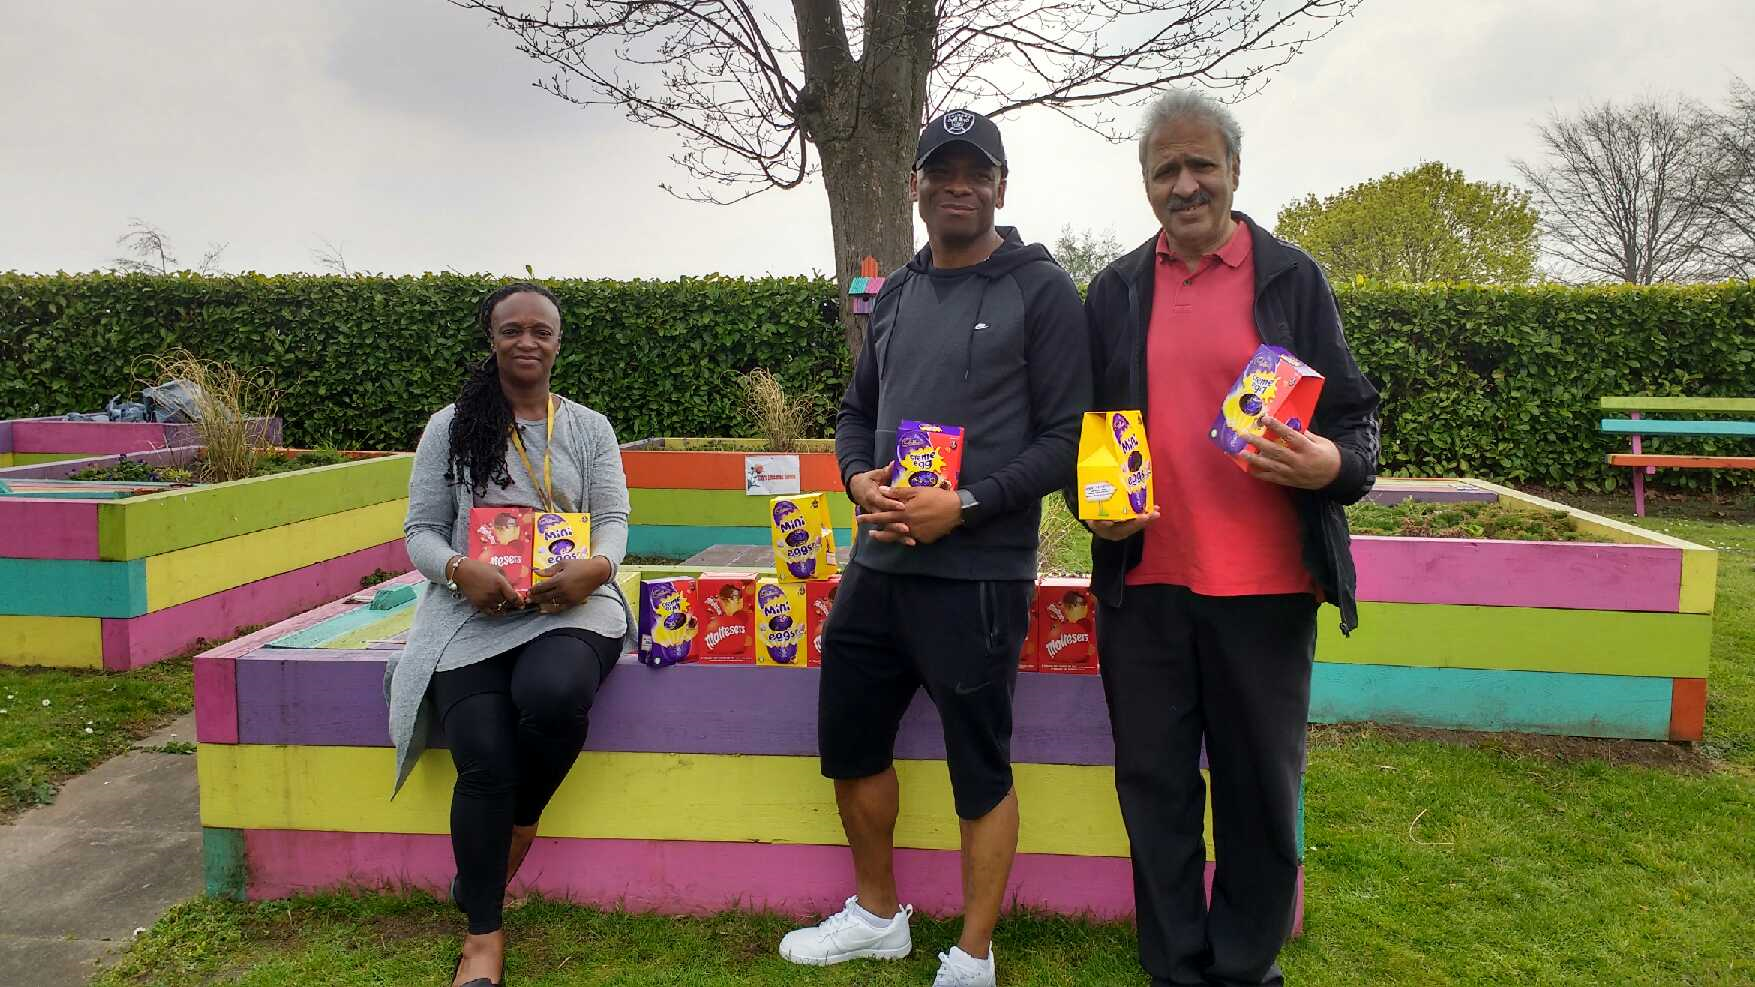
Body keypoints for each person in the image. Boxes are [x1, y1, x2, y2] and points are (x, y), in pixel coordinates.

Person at [778, 109, 1091, 987]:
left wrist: (969, 503)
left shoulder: (1041, 289)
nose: (958, 184)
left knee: (978, 765)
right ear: (914, 185)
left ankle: (972, 952)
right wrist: (854, 481)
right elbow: (851, 416)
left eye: (975, 171)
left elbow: (1069, 434)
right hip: (876, 570)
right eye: (940, 169)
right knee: (851, 743)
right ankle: (877, 913)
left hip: (978, 576)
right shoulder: (900, 295)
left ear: (1000, 187)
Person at [1081, 90, 1381, 986]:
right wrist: (1091, 502)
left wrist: (1328, 461)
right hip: (1147, 587)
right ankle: (1175, 967)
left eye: (1200, 164)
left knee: (1259, 799)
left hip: (1265, 589)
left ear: (1234, 171)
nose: (1185, 184)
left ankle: (1244, 966)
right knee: (1156, 791)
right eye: (1165, 170)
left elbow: (1357, 426)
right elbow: (1085, 432)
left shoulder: (1291, 278)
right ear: (1144, 185)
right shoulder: (1115, 289)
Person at [384, 283, 635, 987]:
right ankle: (483, 935)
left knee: (552, 694)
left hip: (570, 608)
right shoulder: (450, 426)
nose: (527, 342)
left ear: (558, 342)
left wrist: (596, 568)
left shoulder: (588, 427)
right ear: (490, 338)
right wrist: (460, 569)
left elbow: (613, 517)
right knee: (485, 758)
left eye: (541, 331)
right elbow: (421, 531)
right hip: (470, 616)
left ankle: (519, 823)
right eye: (511, 329)